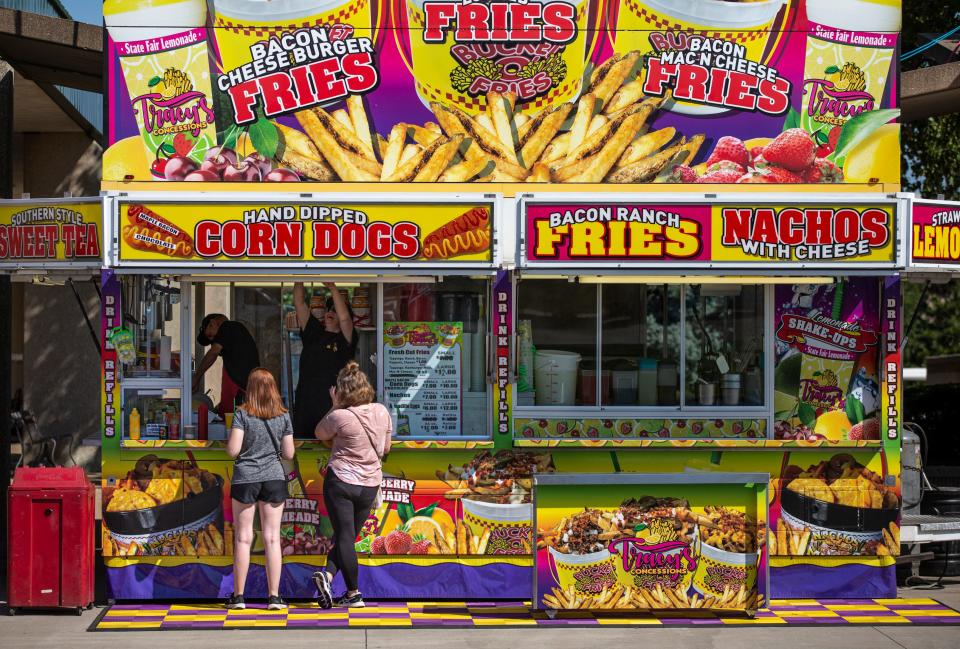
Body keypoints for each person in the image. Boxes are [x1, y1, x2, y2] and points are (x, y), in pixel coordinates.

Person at [313, 362, 391, 609]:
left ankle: (354, 593)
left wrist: (334, 405)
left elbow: (319, 433)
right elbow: (386, 448)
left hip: (341, 482)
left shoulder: (340, 416)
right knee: (347, 537)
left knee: (344, 537)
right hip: (370, 484)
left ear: (342, 391)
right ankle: (326, 576)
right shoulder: (381, 411)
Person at [225, 368, 295, 611]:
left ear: (250, 388)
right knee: (272, 538)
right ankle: (274, 597)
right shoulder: (283, 416)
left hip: (246, 478)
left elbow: (233, 451)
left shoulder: (242, 413)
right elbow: (288, 454)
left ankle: (239, 597)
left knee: (243, 538)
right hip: (274, 478)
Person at [292, 282, 357, 437]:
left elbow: (345, 319)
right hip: (306, 402)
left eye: (335, 309)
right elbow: (299, 303)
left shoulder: (345, 339)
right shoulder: (313, 332)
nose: (330, 312)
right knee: (303, 446)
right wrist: (299, 272)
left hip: (331, 404)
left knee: (330, 446)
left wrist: (333, 288)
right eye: (328, 309)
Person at [193, 313, 260, 416]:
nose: (212, 340)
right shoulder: (236, 333)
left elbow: (213, 353)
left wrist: (196, 378)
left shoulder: (227, 326)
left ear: (212, 323)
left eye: (210, 336)